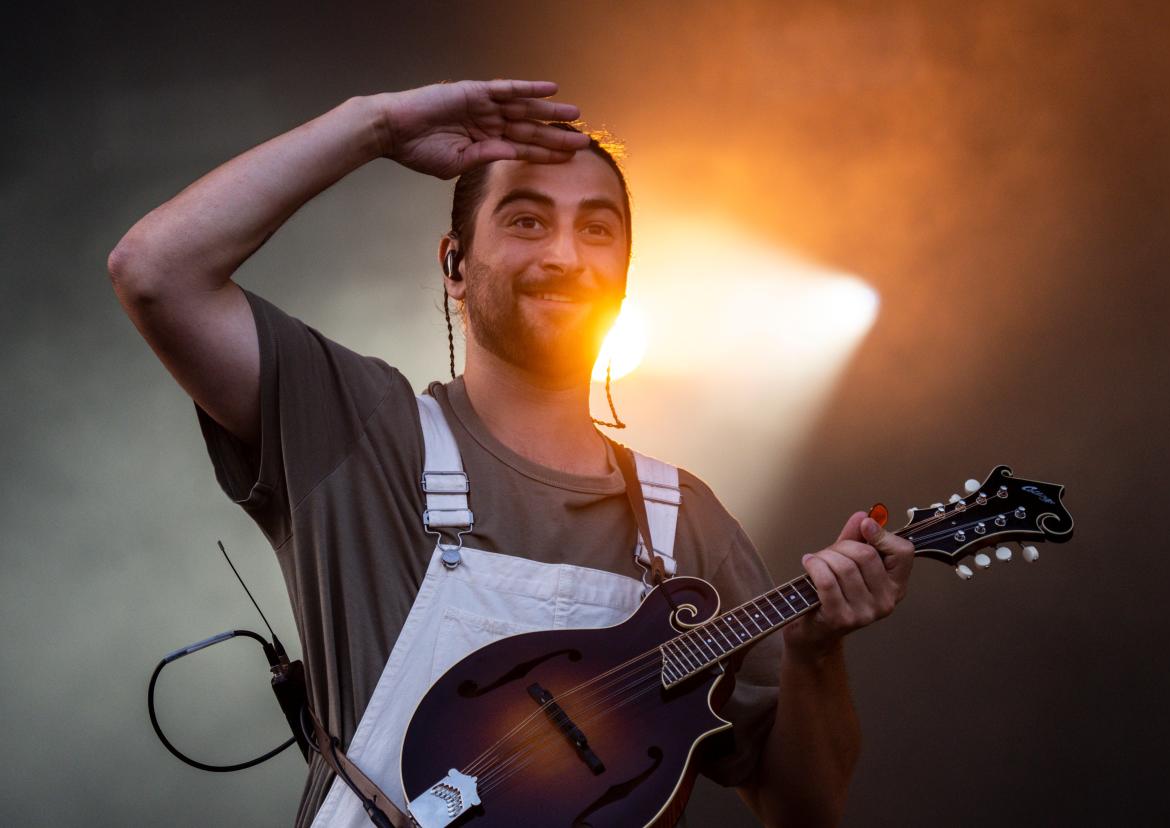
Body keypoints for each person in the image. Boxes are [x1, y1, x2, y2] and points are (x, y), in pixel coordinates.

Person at [109, 79, 915, 827]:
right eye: (527, 220)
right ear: (455, 267)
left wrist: (818, 652)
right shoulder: (361, 429)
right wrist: (375, 125)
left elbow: (802, 810)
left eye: (596, 229)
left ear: (624, 281)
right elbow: (154, 271)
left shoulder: (683, 521)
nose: (564, 253)